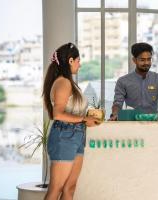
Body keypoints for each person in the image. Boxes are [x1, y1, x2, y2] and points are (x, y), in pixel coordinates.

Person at [42, 43, 101, 199]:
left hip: (77, 135)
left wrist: (89, 117)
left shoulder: (70, 83)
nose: (79, 64)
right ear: (70, 61)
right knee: (56, 188)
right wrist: (83, 119)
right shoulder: (63, 82)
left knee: (70, 187)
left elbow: (71, 109)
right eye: (78, 60)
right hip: (64, 136)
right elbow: (58, 114)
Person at [109, 42, 158, 120]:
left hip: (153, 125)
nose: (146, 63)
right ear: (134, 60)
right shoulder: (123, 81)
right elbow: (118, 103)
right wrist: (114, 115)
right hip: (131, 125)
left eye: (149, 59)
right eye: (142, 60)